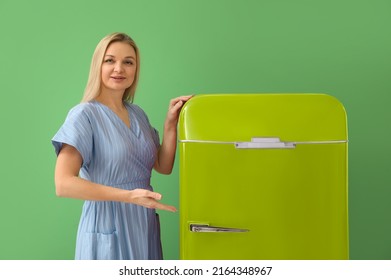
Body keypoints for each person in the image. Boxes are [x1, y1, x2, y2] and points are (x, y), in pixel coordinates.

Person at [52, 32, 192, 260]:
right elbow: (63, 184)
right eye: (110, 60)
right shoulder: (84, 115)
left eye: (128, 62)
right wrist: (128, 196)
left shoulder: (138, 114)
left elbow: (163, 166)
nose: (119, 68)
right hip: (107, 222)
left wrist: (170, 124)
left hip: (143, 223)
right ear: (98, 65)